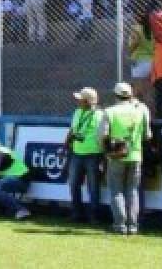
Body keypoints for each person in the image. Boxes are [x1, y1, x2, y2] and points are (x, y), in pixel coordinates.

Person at [102, 81, 152, 235]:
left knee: (116, 191)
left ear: (115, 95)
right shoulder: (141, 111)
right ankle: (133, 225)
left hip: (116, 156)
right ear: (130, 95)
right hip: (136, 155)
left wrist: (107, 150)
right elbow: (148, 135)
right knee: (132, 191)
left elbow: (102, 135)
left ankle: (120, 224)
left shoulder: (109, 112)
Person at [65, 87, 103, 224]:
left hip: (93, 154)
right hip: (76, 153)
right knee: (73, 184)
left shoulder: (99, 115)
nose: (78, 101)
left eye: (80, 99)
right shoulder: (77, 112)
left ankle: (94, 216)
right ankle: (77, 213)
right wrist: (66, 141)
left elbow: (103, 134)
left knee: (93, 186)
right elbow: (73, 129)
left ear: (88, 101)